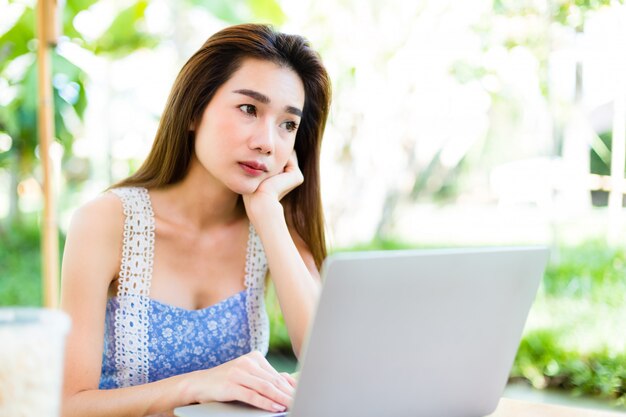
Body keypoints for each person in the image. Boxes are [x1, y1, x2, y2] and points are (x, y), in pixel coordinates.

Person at [60, 23, 331, 417]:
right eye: (248, 109)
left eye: (287, 124)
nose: (266, 142)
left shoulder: (277, 220)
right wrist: (196, 386)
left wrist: (270, 218)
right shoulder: (106, 223)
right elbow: (68, 406)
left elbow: (326, 362)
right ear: (193, 111)